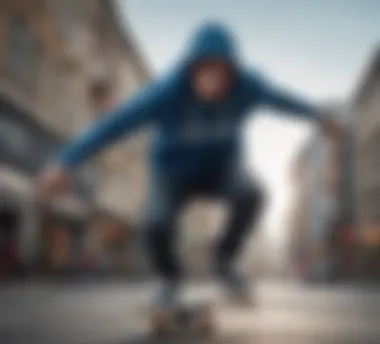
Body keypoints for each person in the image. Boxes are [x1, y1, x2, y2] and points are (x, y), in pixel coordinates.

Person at [38, 21, 340, 308]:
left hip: (223, 170)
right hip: (172, 173)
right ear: (190, 69)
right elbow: (115, 124)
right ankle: (169, 277)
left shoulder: (248, 86)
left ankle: (224, 259)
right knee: (155, 223)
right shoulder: (166, 92)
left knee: (252, 192)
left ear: (232, 72)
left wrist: (319, 116)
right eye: (203, 73)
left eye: (220, 74)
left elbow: (281, 100)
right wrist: (65, 162)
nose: (211, 83)